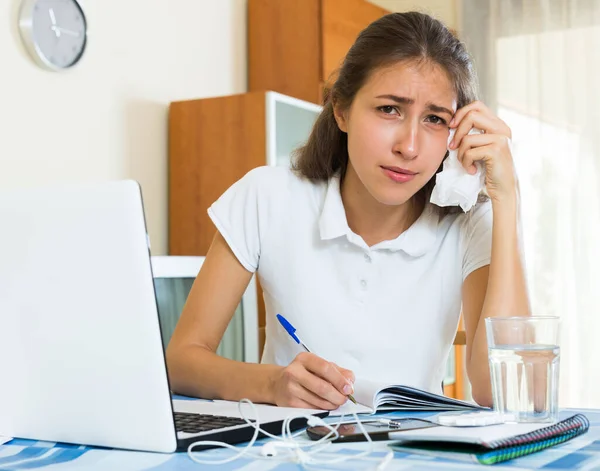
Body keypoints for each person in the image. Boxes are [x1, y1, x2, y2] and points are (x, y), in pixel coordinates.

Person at [166, 11, 530, 410]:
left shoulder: (468, 222)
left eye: (434, 119)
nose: (409, 147)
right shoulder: (268, 195)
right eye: (389, 109)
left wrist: (506, 198)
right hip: (289, 452)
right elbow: (181, 360)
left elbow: (498, 391)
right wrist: (270, 384)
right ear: (341, 109)